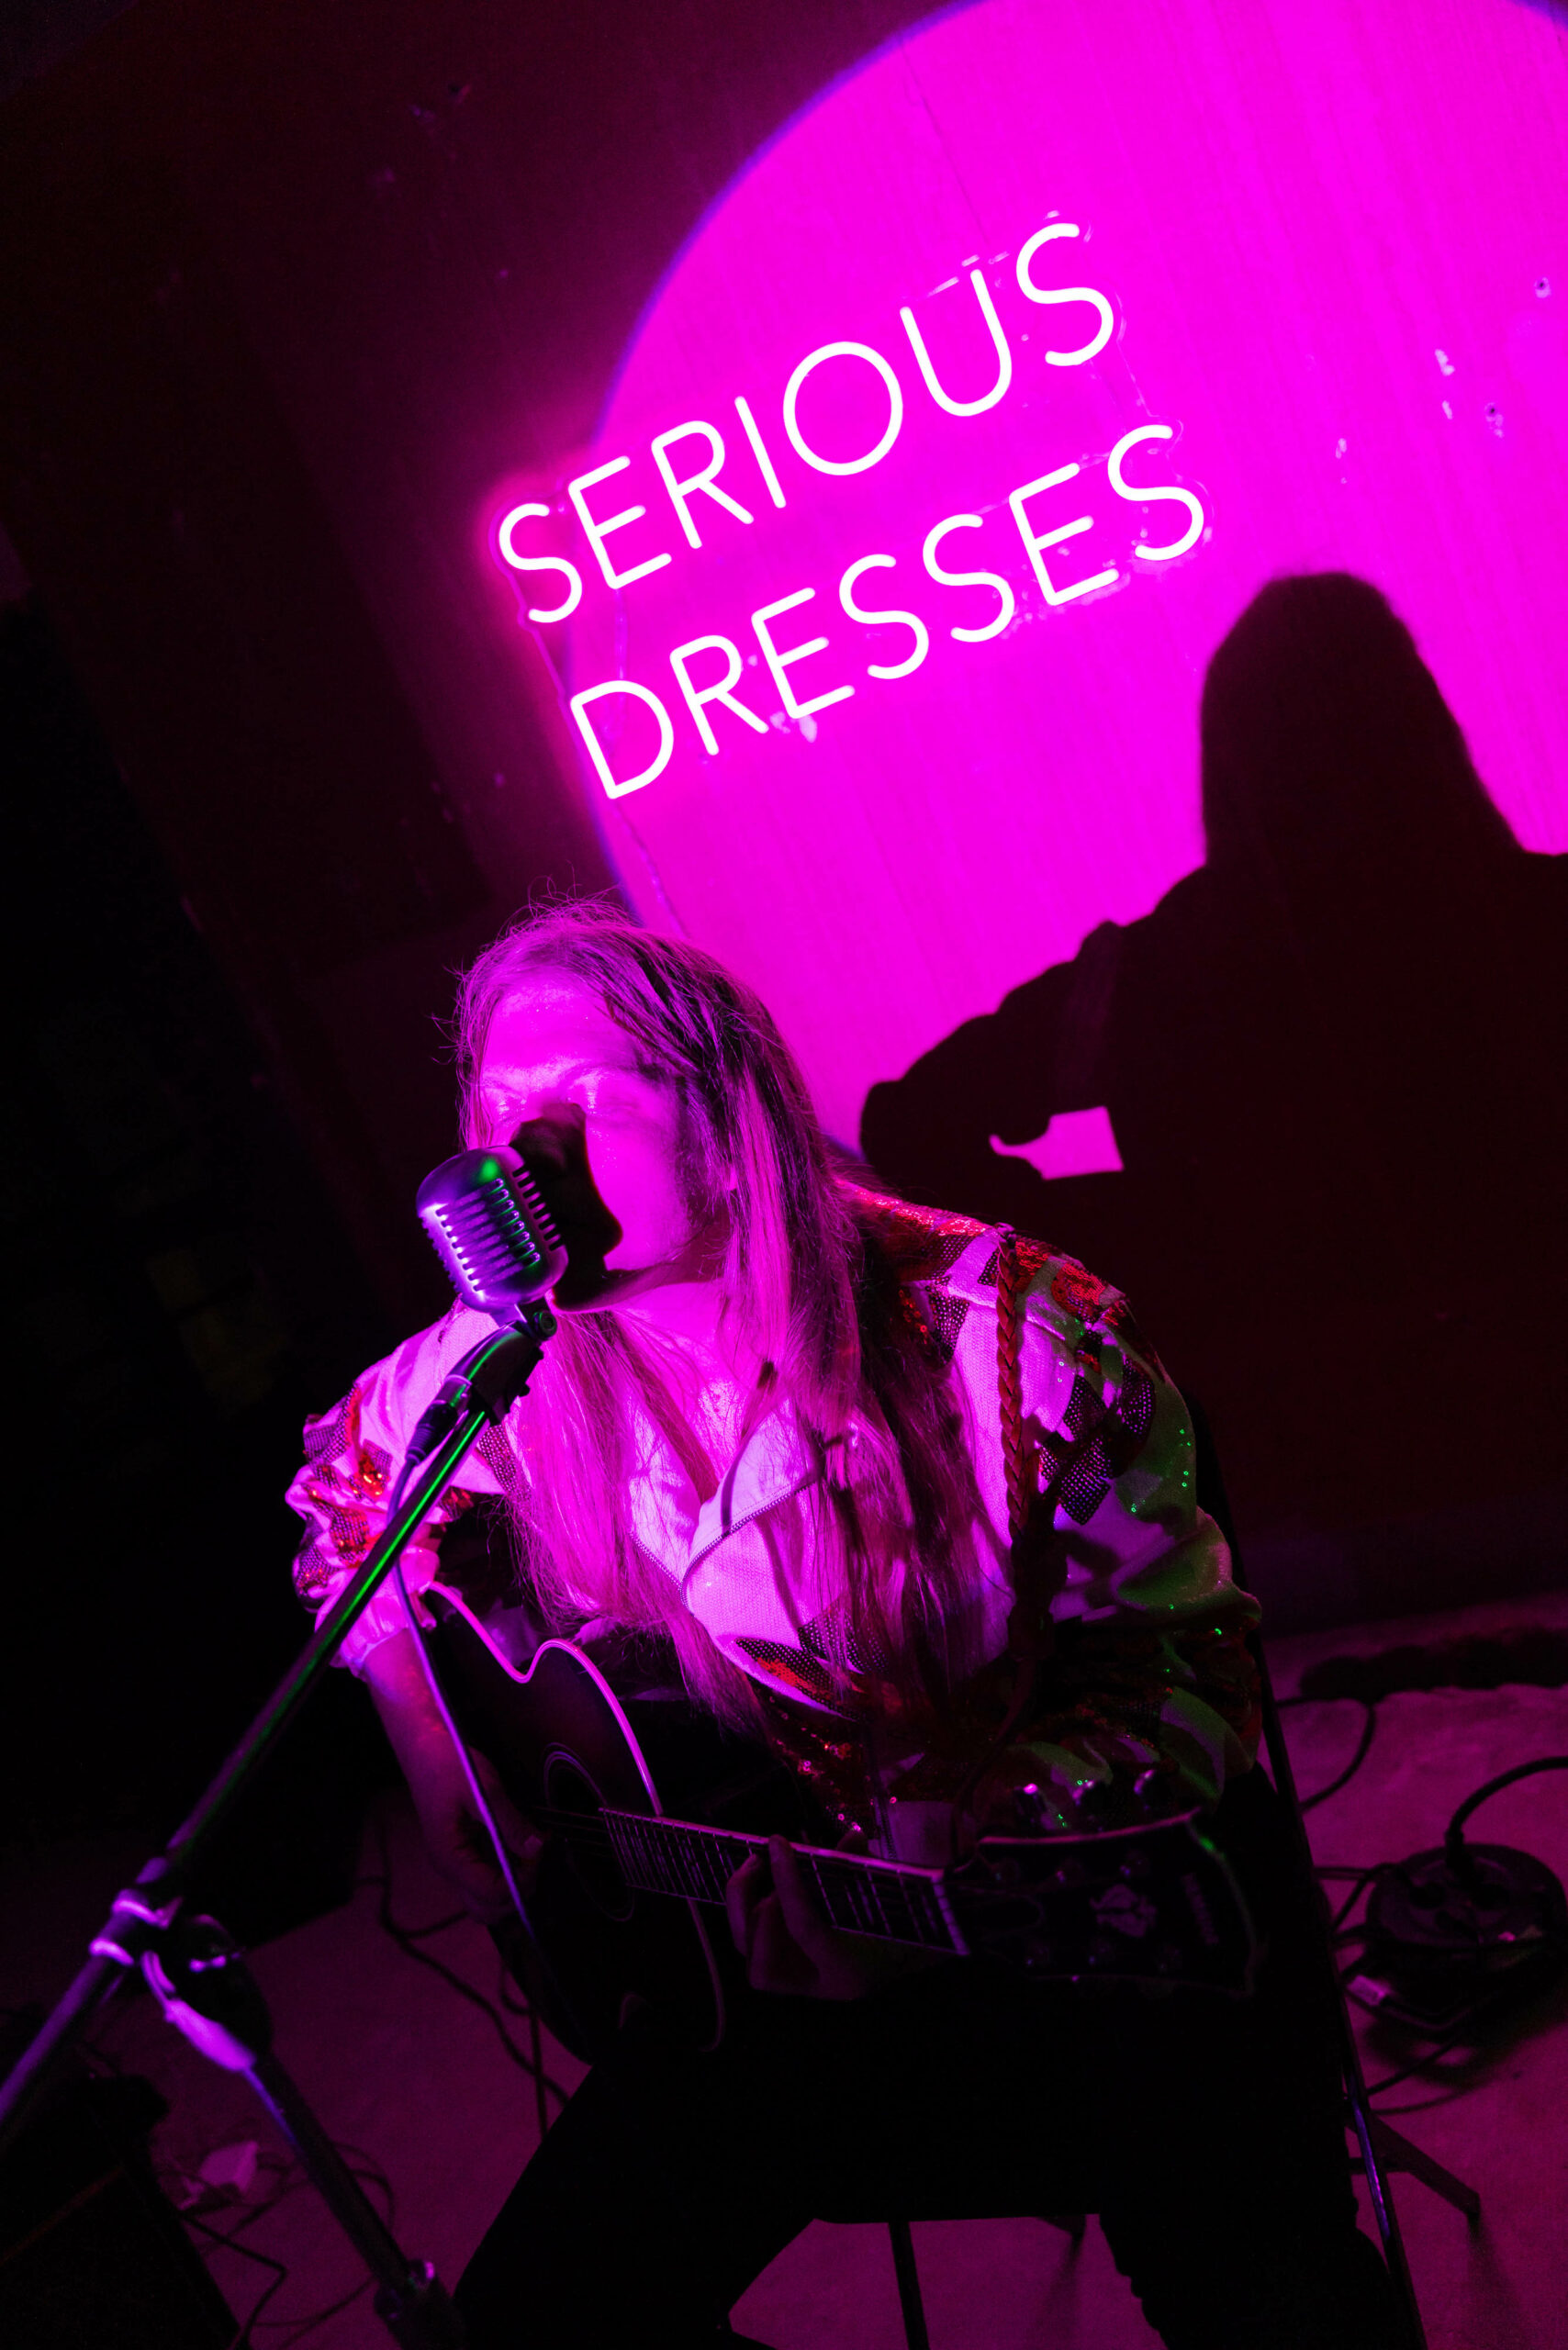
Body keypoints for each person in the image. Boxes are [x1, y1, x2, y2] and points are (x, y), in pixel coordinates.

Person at [287, 902, 1397, 2347]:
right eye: (500, 1119)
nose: (522, 1167)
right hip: (749, 1965)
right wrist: (433, 1748)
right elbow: (347, 1502)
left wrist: (966, 1848)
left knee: (1274, 2296)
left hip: (1078, 1932)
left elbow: (1182, 1678)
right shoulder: (509, 1366)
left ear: (723, 1121)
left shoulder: (1008, 1338)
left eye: (582, 1109)